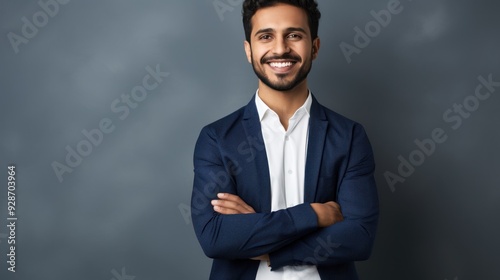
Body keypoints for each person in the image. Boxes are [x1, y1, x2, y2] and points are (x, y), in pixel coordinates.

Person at [191, 0, 379, 279]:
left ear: (314, 47)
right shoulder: (217, 138)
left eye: (294, 35)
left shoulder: (349, 136)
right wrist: (314, 215)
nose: (280, 49)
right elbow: (215, 237)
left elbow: (359, 238)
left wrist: (261, 240)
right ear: (248, 50)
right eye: (266, 36)